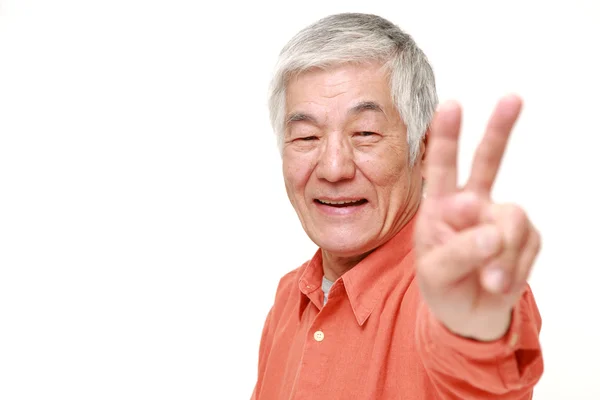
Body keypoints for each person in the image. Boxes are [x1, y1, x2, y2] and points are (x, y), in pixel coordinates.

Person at [251, 12, 543, 400]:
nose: (334, 167)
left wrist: (476, 331)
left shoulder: (455, 289)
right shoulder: (289, 297)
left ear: (423, 148)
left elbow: (482, 377)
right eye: (305, 137)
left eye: (365, 133)